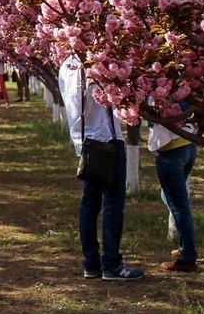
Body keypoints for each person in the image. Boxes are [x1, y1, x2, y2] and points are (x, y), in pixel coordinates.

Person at [60, 55, 143, 281]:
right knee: (113, 203)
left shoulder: (66, 66)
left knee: (89, 203)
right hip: (108, 139)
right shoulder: (98, 63)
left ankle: (91, 263)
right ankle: (112, 264)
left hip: (86, 142)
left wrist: (79, 141)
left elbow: (71, 106)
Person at [149, 111, 198, 272]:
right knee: (168, 197)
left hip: (171, 151)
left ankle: (188, 258)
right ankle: (186, 247)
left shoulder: (158, 93)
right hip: (188, 146)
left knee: (179, 206)